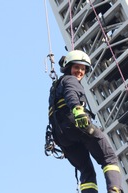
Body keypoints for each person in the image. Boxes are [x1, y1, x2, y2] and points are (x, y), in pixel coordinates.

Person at [48, 50, 123, 193]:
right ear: (68, 67)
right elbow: (71, 94)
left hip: (62, 136)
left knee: (86, 169)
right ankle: (115, 190)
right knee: (109, 157)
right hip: (75, 123)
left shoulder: (56, 87)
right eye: (76, 67)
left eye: (83, 69)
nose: (80, 71)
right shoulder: (70, 80)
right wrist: (78, 110)